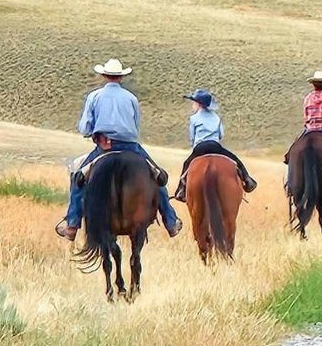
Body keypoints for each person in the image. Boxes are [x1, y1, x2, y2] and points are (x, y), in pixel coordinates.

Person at [56, 58, 183, 241]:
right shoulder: (131, 98)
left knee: (78, 178)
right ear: (121, 77)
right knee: (157, 177)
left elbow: (85, 127)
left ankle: (72, 225)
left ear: (104, 76)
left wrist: (94, 133)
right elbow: (136, 126)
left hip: (104, 147)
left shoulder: (94, 96)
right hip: (131, 147)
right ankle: (170, 221)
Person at [172, 89, 257, 202]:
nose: (193, 105)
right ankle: (247, 180)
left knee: (186, 164)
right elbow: (221, 135)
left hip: (200, 148)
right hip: (216, 147)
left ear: (199, 104)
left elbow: (192, 138)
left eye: (194, 102)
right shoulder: (216, 117)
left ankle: (181, 190)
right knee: (236, 160)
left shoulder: (194, 118)